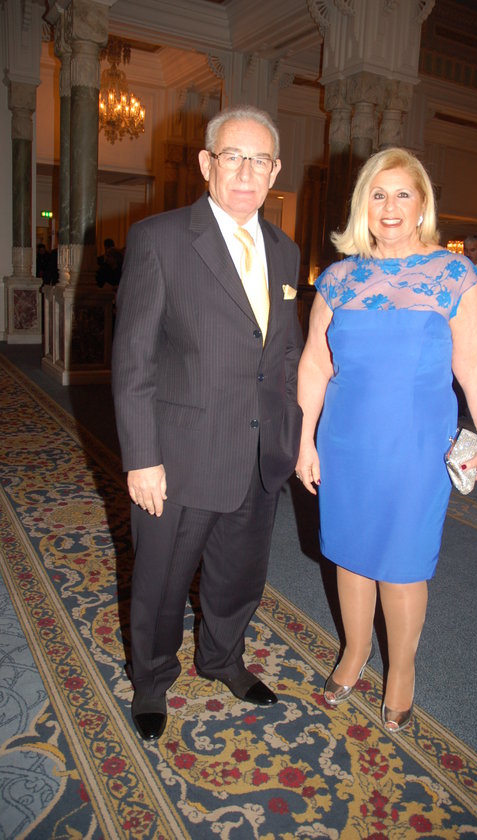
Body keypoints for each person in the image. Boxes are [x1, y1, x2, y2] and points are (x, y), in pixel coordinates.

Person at [111, 104, 303, 742]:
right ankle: (151, 679)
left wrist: (293, 436)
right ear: (206, 163)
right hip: (181, 454)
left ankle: (223, 659)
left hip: (258, 451)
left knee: (240, 573)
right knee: (162, 579)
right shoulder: (160, 238)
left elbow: (286, 352)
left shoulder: (284, 250)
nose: (246, 172)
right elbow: (134, 359)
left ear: (275, 171)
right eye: (232, 156)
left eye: (259, 160)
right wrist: (142, 457)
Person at [295, 148, 477, 732]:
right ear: (362, 205)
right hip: (345, 442)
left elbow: (475, 365)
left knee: (403, 563)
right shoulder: (337, 279)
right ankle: (355, 652)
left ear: (422, 205)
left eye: (402, 194)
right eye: (378, 194)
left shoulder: (453, 275)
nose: (390, 206)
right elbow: (314, 364)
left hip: (416, 446)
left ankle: (402, 671)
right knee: (350, 554)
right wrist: (304, 441)